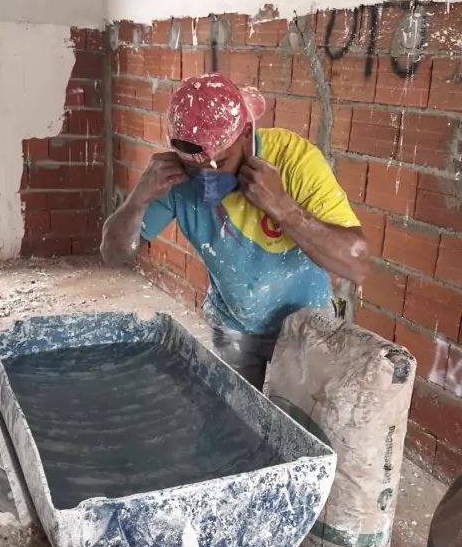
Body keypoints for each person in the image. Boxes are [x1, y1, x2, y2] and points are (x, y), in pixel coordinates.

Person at [101, 73, 369, 390]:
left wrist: (285, 210)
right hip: (232, 324)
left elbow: (357, 265)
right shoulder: (172, 176)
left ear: (246, 133)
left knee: (294, 418)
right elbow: (113, 254)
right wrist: (138, 199)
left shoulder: (293, 160)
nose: (205, 180)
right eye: (194, 169)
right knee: (234, 412)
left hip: (306, 327)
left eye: (218, 164)